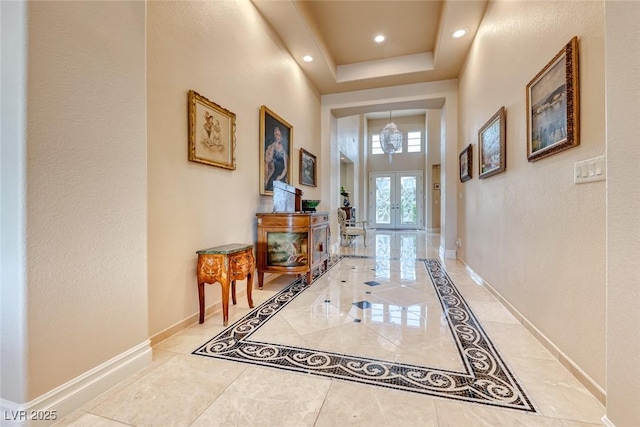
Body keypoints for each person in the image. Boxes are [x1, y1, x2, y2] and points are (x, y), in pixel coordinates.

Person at [264, 126, 288, 191]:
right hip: (274, 175)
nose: (278, 137)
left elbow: (286, 168)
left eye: (279, 135)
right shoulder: (273, 146)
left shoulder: (283, 151)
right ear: (274, 136)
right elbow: (269, 159)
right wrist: (272, 147)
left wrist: (280, 177)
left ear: (281, 136)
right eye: (276, 135)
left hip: (281, 176)